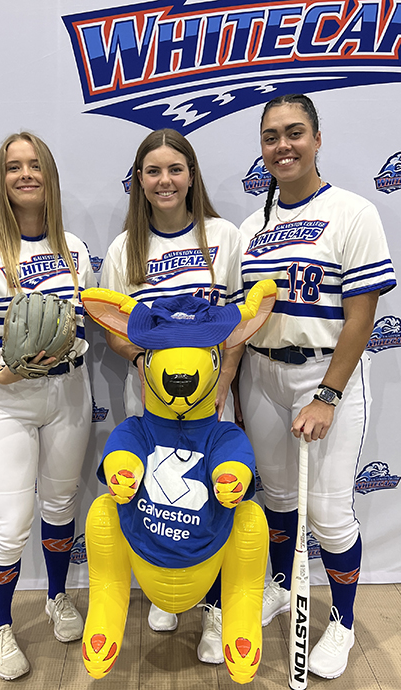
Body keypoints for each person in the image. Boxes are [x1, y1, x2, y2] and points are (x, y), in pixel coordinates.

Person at [236, 94, 396, 679]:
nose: (283, 145)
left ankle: (345, 624)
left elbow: (361, 317)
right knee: (277, 498)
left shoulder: (353, 212)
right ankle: (281, 586)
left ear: (317, 139)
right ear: (262, 147)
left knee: (328, 514)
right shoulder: (253, 227)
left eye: (295, 132)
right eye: (272, 136)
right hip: (261, 371)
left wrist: (327, 394)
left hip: (325, 372)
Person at [0, 132, 96, 681]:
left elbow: (84, 325)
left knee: (59, 505)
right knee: (10, 524)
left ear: (50, 176)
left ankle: (57, 597)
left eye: (35, 166)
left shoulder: (73, 248)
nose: (25, 175)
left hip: (70, 391)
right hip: (9, 397)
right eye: (13, 167)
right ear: (1, 180)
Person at [99, 128, 244, 664]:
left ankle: (213, 610)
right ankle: (165, 590)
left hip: (212, 399)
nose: (165, 180)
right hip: (153, 402)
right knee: (159, 493)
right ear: (139, 180)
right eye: (153, 171)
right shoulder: (125, 247)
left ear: (191, 175)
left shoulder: (223, 235)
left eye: (174, 169)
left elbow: (235, 322)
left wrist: (223, 383)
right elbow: (115, 328)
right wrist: (142, 364)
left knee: (214, 494)